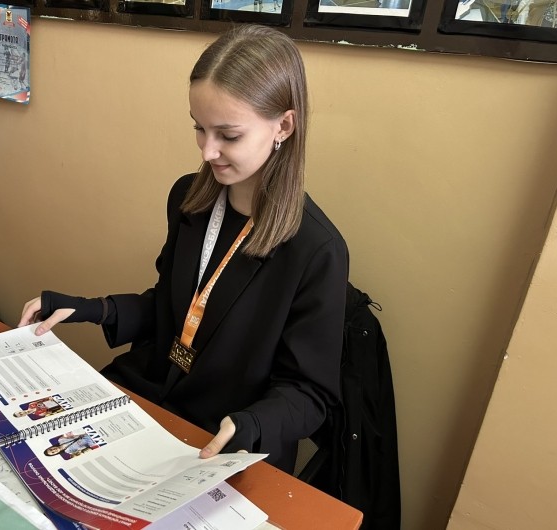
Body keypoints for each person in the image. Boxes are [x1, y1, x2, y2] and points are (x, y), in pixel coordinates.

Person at [19, 24, 348, 474]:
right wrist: (91, 309)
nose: (208, 151)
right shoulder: (189, 198)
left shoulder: (317, 250)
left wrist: (251, 424)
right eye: (199, 128)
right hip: (155, 392)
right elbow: (171, 308)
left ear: (283, 126)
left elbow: (310, 394)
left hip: (225, 433)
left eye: (228, 135)